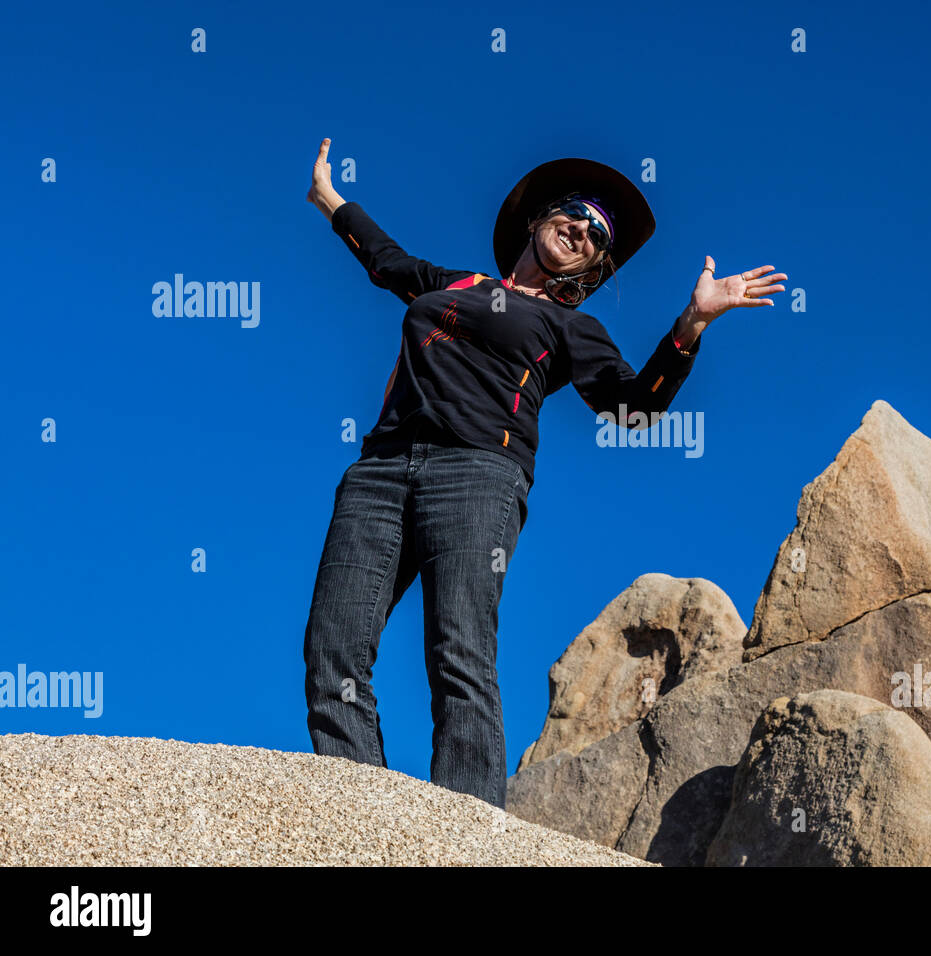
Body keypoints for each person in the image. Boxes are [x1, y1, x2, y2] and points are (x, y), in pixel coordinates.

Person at [301, 138, 787, 808]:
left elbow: (636, 409)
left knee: (458, 650)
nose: (584, 231)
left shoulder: (569, 326)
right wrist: (330, 198)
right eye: (577, 215)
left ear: (590, 267)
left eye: (597, 237)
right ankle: (364, 813)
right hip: (379, 472)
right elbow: (387, 262)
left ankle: (467, 832)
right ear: (538, 222)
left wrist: (692, 323)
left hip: (477, 474)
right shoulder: (461, 284)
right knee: (333, 649)